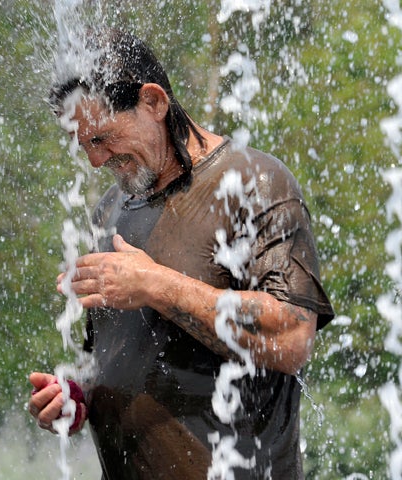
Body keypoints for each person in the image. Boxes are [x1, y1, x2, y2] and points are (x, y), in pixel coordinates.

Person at [28, 28, 334, 479]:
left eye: (103, 139)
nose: (96, 161)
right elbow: (121, 360)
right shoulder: (111, 210)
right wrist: (77, 397)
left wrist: (154, 284)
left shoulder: (253, 184)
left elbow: (290, 339)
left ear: (153, 102)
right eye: (84, 145)